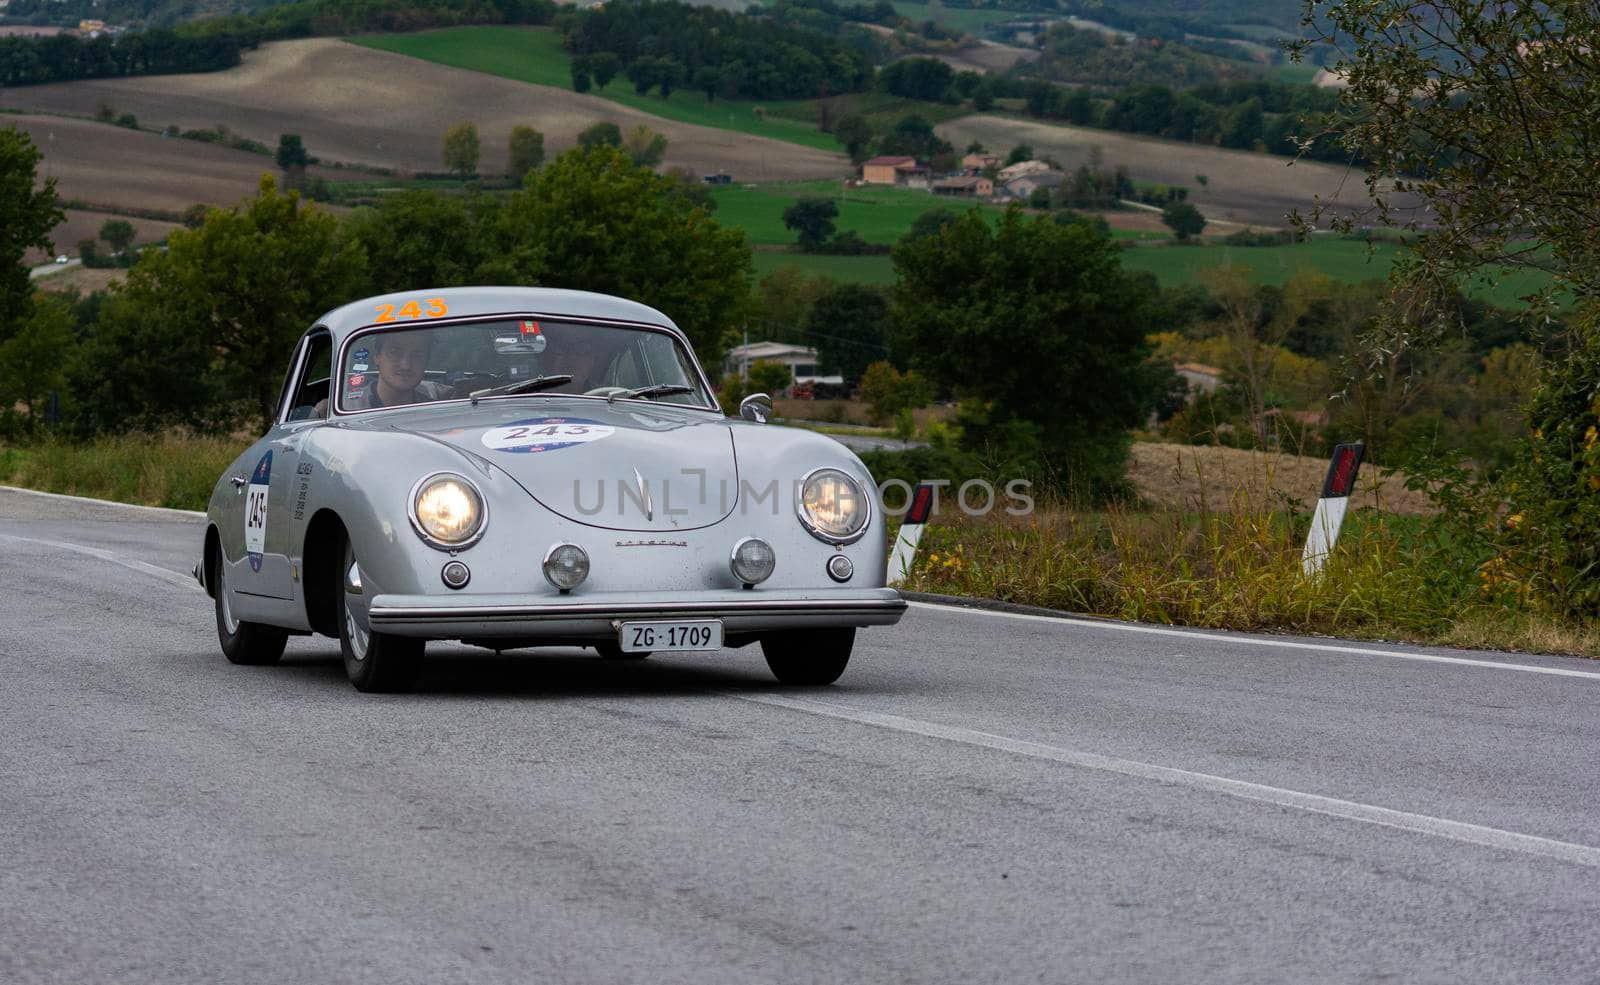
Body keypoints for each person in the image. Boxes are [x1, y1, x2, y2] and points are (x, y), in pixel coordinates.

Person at [345, 330, 452, 410]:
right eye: (395, 352)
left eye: (417, 355)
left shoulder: (435, 407)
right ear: (377, 357)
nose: (406, 365)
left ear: (426, 361)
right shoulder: (347, 407)